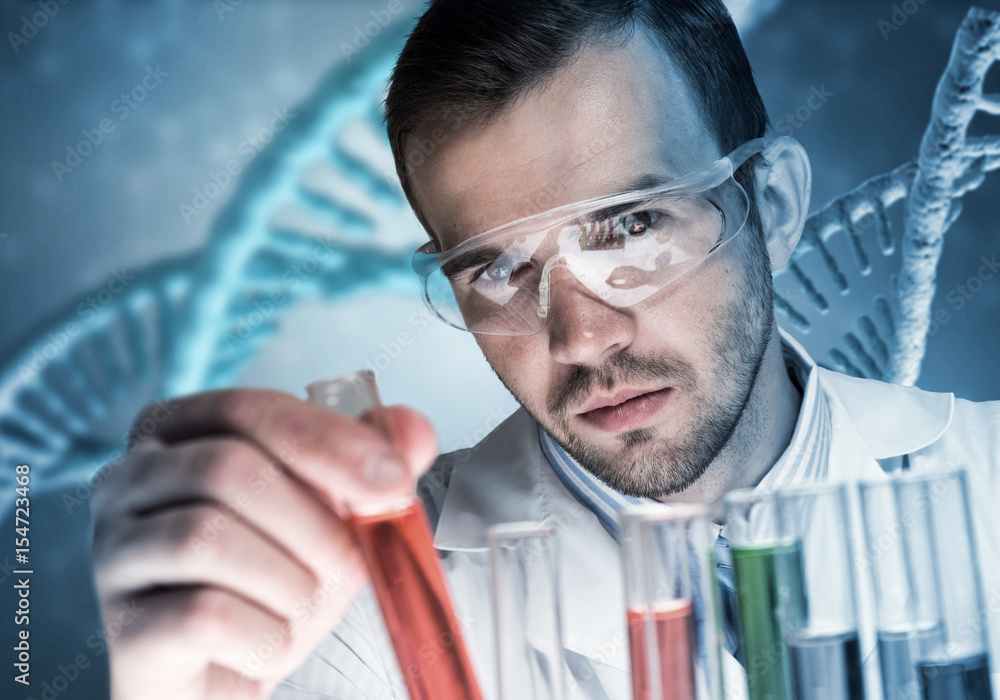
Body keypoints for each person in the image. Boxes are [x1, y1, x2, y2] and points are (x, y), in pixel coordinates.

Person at [89, 1, 1000, 698]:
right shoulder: (352, 606)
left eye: (631, 226)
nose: (581, 337)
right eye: (497, 270)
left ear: (777, 210)